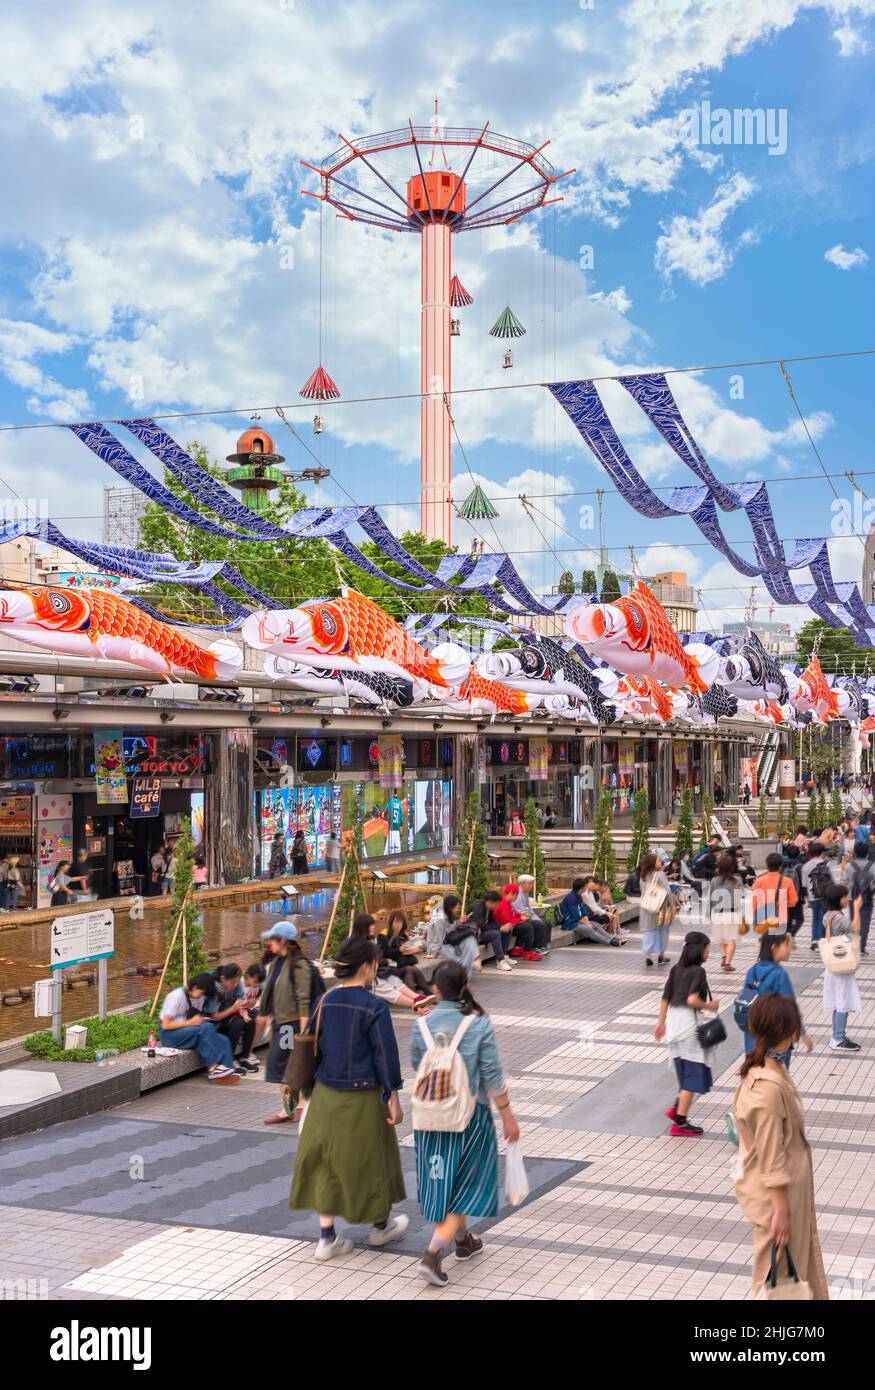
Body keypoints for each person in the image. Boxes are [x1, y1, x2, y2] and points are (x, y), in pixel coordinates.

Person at [288, 935, 408, 1261]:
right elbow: (386, 1056)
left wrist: (304, 1094)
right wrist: (393, 1096)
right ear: (367, 966)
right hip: (365, 1096)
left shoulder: (323, 1001)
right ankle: (380, 1227)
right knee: (373, 1160)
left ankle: (327, 1238)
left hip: (326, 1095)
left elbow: (311, 1046)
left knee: (325, 1164)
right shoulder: (373, 1006)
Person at [411, 961, 520, 1287]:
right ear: (466, 988)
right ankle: (432, 1254)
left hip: (430, 1120)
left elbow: (419, 1068)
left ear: (436, 990)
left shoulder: (422, 1027)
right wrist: (508, 1116)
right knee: (467, 1189)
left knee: (445, 1185)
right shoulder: (478, 1024)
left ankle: (463, 1241)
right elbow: (492, 1076)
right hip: (471, 1120)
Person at [733, 994, 828, 1300]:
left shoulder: (765, 1068)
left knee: (793, 1277)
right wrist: (781, 1210)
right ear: (788, 1033)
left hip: (788, 1195)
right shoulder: (767, 1087)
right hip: (780, 1200)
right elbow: (771, 1155)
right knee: (778, 1282)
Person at [653, 930, 720, 1136]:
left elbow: (665, 997)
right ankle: (680, 1122)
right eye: (707, 948)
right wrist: (709, 1006)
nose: (709, 952)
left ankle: (677, 1109)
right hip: (688, 1026)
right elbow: (692, 1000)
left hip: (673, 1024)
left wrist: (660, 1022)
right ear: (700, 950)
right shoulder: (698, 972)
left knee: (685, 1070)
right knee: (693, 1072)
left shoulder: (676, 969)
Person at [259, 920, 315, 1124]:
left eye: (272, 939)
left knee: (287, 1064)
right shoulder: (275, 963)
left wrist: (303, 1031)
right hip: (279, 1024)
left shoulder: (299, 965)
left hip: (290, 1026)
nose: (269, 943)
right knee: (282, 1066)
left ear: (283, 941)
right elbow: (272, 994)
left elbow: (303, 999)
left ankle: (297, 1106)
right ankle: (290, 1107)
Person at [739, 929, 813, 1063]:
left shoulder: (753, 970)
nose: (789, 949)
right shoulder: (779, 974)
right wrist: (803, 1034)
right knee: (775, 1077)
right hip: (776, 1036)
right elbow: (791, 1008)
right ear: (774, 947)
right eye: (786, 945)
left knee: (756, 1073)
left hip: (753, 1033)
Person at [158, 971, 240, 1085]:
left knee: (223, 1039)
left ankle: (226, 1072)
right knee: (206, 1027)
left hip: (189, 1033)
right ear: (195, 987)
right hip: (170, 1036)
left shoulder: (199, 998)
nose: (202, 996)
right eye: (202, 993)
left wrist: (198, 1021)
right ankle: (213, 1069)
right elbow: (165, 1025)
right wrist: (191, 1022)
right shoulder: (176, 996)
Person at [351, 912, 430, 1009]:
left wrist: (408, 950)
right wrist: (397, 952)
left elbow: (377, 957)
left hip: (384, 968)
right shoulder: (382, 935)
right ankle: (417, 1002)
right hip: (374, 973)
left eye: (400, 922)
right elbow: (382, 954)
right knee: (404, 974)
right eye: (372, 925)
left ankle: (418, 999)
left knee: (407, 972)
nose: (374, 927)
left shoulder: (402, 935)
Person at [820, 882, 863, 1052]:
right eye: (846, 896)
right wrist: (858, 909)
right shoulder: (837, 917)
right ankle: (837, 1039)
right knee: (843, 1000)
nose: (848, 899)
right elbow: (856, 929)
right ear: (839, 899)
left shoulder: (829, 914)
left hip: (836, 963)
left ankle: (838, 1035)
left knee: (839, 1000)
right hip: (841, 964)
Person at [205, 962, 258, 1073]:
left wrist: (244, 1012)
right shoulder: (214, 987)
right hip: (214, 1021)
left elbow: (240, 1000)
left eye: (237, 982)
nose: (235, 985)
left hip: (229, 1015)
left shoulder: (236, 983)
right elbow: (215, 1017)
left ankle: (244, 1058)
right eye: (233, 982)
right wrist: (233, 1009)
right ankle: (229, 1061)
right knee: (237, 1024)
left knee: (250, 1022)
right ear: (223, 978)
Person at [558, 877, 621, 946]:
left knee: (596, 925)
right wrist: (587, 924)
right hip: (570, 923)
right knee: (589, 929)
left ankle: (612, 938)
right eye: (585, 887)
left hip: (577, 921)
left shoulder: (578, 896)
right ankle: (610, 942)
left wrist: (588, 923)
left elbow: (583, 911)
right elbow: (577, 916)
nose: (586, 888)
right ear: (581, 888)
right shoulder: (571, 898)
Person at [800, 840, 838, 950]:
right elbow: (832, 881)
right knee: (823, 918)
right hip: (825, 895)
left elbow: (804, 884)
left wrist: (807, 897)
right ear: (822, 852)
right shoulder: (827, 864)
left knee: (815, 918)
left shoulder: (805, 866)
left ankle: (814, 940)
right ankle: (821, 941)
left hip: (812, 896)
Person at [710, 852, 744, 973]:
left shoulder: (714, 880)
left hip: (717, 913)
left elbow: (711, 898)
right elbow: (738, 898)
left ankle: (724, 958)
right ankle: (728, 963)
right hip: (731, 913)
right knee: (731, 940)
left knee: (722, 938)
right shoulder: (736, 880)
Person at [637, 852, 673, 966]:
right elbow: (667, 892)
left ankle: (648, 956)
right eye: (658, 860)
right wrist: (672, 906)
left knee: (649, 931)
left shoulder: (643, 875)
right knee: (663, 930)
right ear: (653, 863)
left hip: (647, 906)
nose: (660, 862)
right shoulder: (659, 874)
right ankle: (662, 955)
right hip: (660, 907)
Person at [751, 851, 799, 935]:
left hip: (763, 916)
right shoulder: (787, 881)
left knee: (766, 941)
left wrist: (755, 917)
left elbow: (755, 902)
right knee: (778, 942)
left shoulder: (759, 881)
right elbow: (793, 901)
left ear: (767, 865)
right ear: (780, 866)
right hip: (780, 917)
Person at [384, 909, 431, 994]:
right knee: (410, 969)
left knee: (410, 971)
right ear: (391, 922)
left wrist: (411, 949)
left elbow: (405, 950)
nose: (398, 925)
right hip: (389, 966)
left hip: (400, 964)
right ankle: (423, 995)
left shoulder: (402, 935)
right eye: (396, 922)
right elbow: (384, 953)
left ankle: (421, 996)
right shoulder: (384, 935)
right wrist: (399, 950)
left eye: (400, 922)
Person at [465, 892, 512, 972]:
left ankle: (503, 956)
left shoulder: (489, 908)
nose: (497, 907)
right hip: (476, 934)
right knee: (495, 934)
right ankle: (500, 961)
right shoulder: (478, 907)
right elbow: (480, 925)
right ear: (490, 902)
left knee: (507, 931)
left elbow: (493, 922)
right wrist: (499, 928)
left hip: (483, 931)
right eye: (496, 904)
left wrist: (503, 927)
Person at [493, 883, 542, 960]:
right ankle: (527, 952)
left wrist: (520, 915)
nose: (516, 898)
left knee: (528, 925)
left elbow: (512, 915)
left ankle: (518, 949)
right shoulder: (503, 903)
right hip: (502, 927)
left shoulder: (507, 902)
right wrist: (520, 919)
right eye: (516, 895)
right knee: (527, 927)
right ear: (511, 894)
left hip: (507, 927)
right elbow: (507, 921)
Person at [845, 841, 875, 955]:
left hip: (853, 897)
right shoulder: (872, 865)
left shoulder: (849, 866)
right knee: (865, 922)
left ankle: (854, 945)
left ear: (855, 852)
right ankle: (861, 947)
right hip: (867, 897)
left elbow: (846, 882)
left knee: (854, 920)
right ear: (867, 852)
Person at [512, 874, 553, 953]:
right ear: (523, 883)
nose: (532, 886)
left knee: (547, 922)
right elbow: (520, 912)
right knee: (539, 924)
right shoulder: (517, 895)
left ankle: (545, 945)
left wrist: (536, 918)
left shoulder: (525, 893)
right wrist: (534, 918)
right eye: (530, 883)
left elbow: (529, 909)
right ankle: (537, 947)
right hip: (520, 920)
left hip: (527, 916)